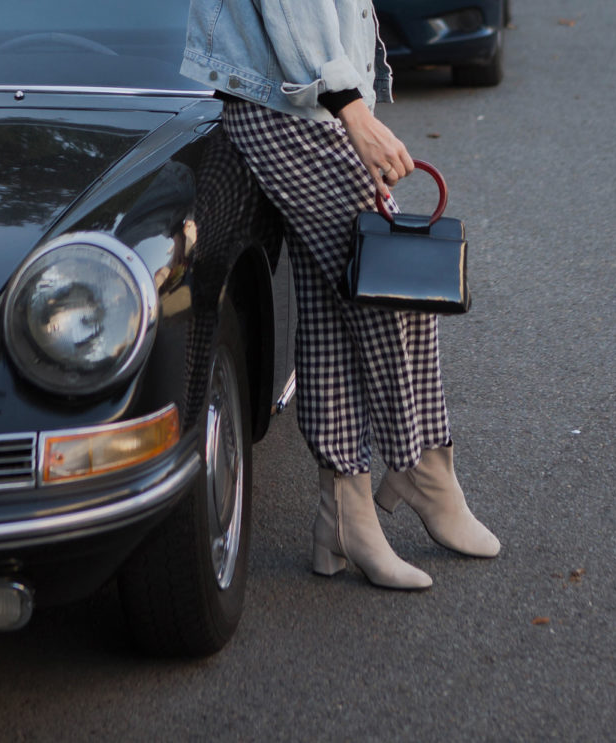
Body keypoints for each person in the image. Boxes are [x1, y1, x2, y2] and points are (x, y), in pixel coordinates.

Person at [181, 0, 500, 590]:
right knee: (394, 287)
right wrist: (350, 105)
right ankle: (420, 465)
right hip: (289, 107)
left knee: (337, 308)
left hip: (304, 102)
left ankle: (342, 516)